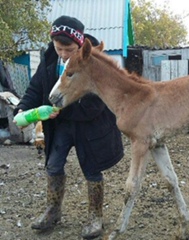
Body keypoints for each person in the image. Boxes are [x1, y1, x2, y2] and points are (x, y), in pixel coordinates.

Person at [13, 15, 124, 239]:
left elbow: (97, 104)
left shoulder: (95, 60)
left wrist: (61, 110)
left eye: (69, 49)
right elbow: (37, 87)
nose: (63, 54)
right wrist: (23, 108)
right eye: (58, 48)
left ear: (80, 44)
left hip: (89, 127)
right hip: (61, 126)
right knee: (53, 165)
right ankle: (53, 211)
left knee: (91, 169)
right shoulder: (50, 58)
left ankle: (96, 216)